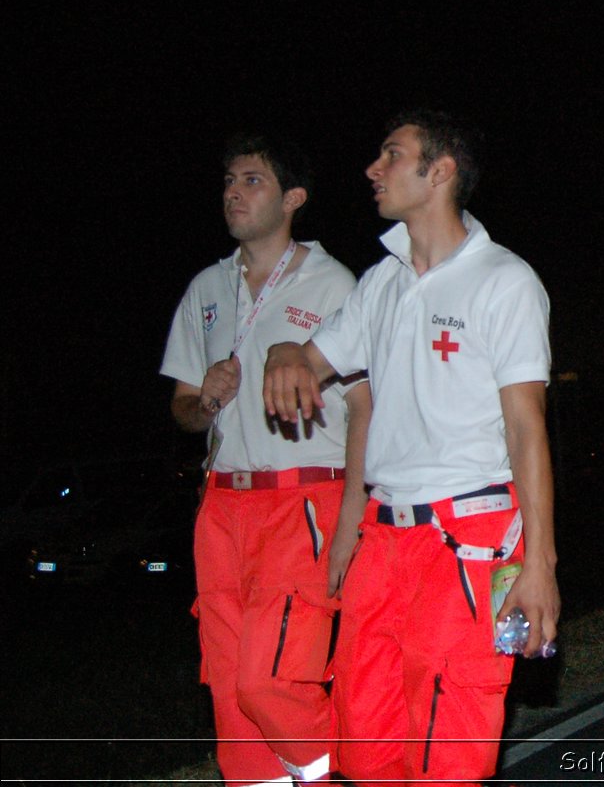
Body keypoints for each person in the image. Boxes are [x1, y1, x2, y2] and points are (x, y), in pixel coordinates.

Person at [262, 111, 560, 785]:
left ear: (440, 171)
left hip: (467, 536)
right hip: (383, 539)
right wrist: (284, 352)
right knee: (365, 749)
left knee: (447, 758)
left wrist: (539, 563)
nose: (373, 169)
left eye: (391, 155)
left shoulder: (504, 280)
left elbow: (526, 427)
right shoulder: (381, 284)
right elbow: (310, 359)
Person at [161, 135, 371, 786]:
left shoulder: (334, 283)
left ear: (293, 199)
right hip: (222, 505)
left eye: (252, 180)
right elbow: (184, 409)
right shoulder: (206, 289)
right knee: (230, 696)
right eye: (229, 179)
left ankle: (354, 769)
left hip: (303, 498)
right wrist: (205, 400)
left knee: (269, 681)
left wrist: (352, 518)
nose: (232, 191)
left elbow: (367, 405)